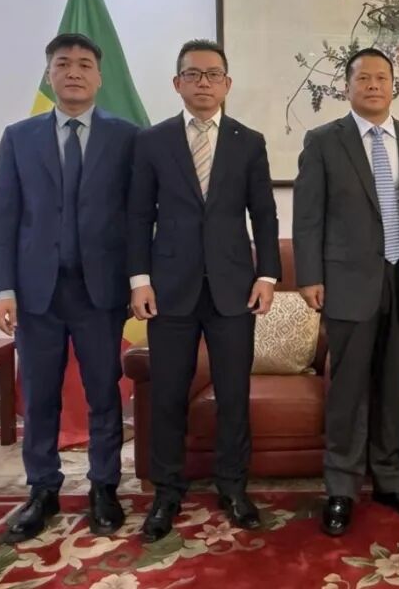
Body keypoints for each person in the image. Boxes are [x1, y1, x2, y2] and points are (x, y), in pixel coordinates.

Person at [128, 38, 281, 542]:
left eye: (214, 74)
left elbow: (264, 213)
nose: (204, 83)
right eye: (193, 74)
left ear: (227, 84)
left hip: (234, 289)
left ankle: (234, 487)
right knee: (168, 395)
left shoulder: (248, 141)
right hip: (169, 289)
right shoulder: (152, 141)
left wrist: (267, 276)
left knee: (234, 395)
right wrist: (139, 280)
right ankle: (167, 492)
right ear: (177, 83)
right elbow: (137, 216)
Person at [0, 33, 137, 542]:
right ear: (49, 74)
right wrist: (1, 288)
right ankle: (42, 489)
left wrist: (138, 280)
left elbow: (138, 217)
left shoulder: (127, 137)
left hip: (101, 292)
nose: (74, 72)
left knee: (103, 393)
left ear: (99, 76)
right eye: (63, 63)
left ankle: (104, 487)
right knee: (39, 394)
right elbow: (4, 217)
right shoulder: (19, 137)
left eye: (84, 64)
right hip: (37, 293)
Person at [293, 48, 399, 537]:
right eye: (363, 78)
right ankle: (341, 486)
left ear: (394, 85)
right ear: (347, 86)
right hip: (347, 283)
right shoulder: (323, 141)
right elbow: (308, 215)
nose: (373, 85)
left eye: (382, 78)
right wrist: (309, 276)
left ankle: (391, 479)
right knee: (349, 390)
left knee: (395, 387)